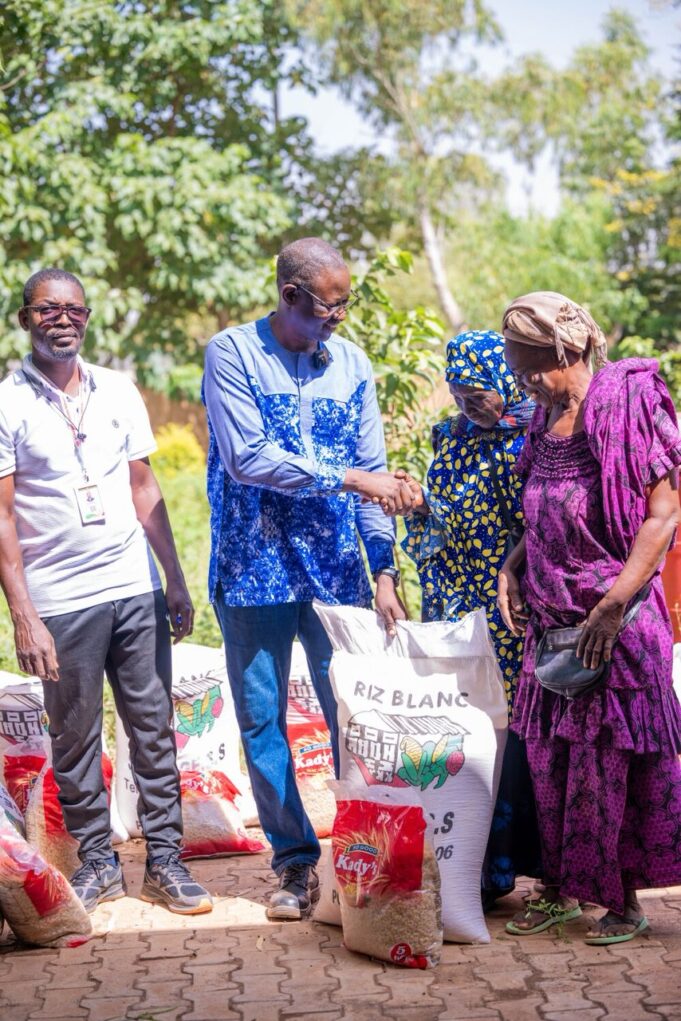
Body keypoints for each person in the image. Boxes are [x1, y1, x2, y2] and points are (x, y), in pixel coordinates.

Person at [202, 237, 411, 921]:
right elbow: (247, 459)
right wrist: (351, 478)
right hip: (252, 567)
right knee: (264, 723)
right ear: (290, 296)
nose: (340, 319)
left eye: (345, 304)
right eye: (331, 305)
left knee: (352, 716)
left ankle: (363, 857)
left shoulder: (350, 363)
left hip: (334, 572)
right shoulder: (231, 353)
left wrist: (381, 567)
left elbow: (372, 466)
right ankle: (293, 865)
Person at [0, 268, 212, 915]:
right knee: (74, 736)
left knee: (153, 728)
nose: (61, 318)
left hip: (134, 589)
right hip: (60, 600)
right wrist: (24, 616)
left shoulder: (118, 389)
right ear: (25, 319)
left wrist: (172, 576)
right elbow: (2, 516)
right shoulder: (8, 400)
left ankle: (165, 864)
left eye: (73, 309)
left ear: (87, 317)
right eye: (46, 309)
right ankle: (97, 860)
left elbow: (143, 487)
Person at [498, 290, 681, 944]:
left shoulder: (626, 401)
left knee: (609, 769)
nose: (524, 381)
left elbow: (661, 515)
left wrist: (612, 603)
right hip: (551, 622)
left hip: (614, 624)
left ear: (565, 348)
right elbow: (541, 506)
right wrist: (513, 565)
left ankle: (623, 903)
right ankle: (557, 889)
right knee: (549, 764)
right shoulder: (539, 419)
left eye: (530, 366)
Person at [399, 330, 541, 909]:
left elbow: (542, 522)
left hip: (508, 605)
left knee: (505, 732)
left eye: (478, 394)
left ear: (504, 380)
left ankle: (502, 868)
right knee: (459, 729)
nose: (469, 406)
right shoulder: (451, 439)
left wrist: (515, 575)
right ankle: (462, 873)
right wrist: (420, 508)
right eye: (459, 395)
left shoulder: (536, 437)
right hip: (452, 605)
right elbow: (440, 518)